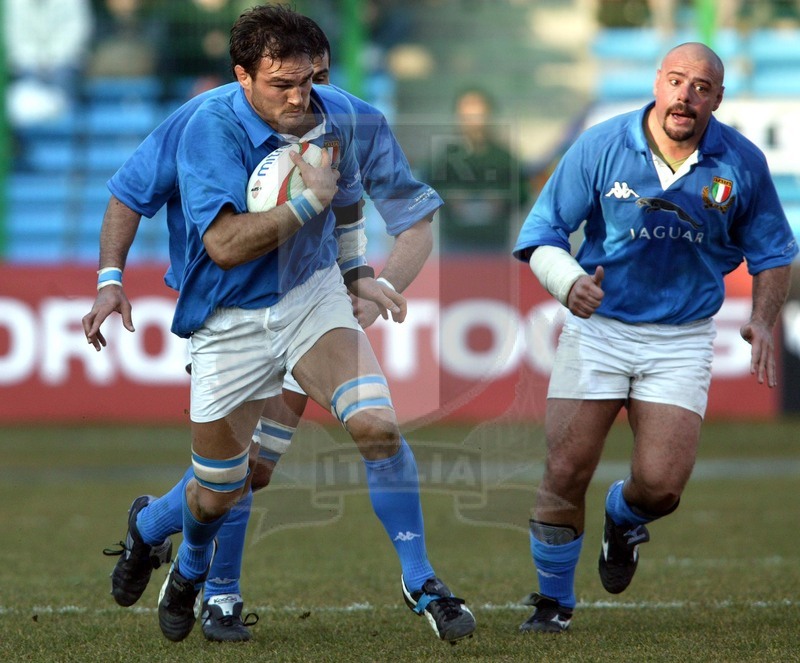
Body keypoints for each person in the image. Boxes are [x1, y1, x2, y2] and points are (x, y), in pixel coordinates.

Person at [83, 4, 474, 645]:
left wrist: (374, 287)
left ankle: (421, 578)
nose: (300, 98)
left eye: (309, 81)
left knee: (376, 424)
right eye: (281, 85)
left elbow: (413, 218)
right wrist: (109, 281)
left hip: (309, 298)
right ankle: (171, 547)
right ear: (242, 76)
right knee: (226, 487)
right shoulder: (206, 126)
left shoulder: (347, 116)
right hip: (226, 316)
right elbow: (220, 243)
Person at [512, 42, 796, 633]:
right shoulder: (601, 144)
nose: (685, 96)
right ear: (657, 82)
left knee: (662, 488)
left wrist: (764, 319)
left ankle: (623, 513)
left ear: (718, 98)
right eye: (676, 80)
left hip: (682, 336)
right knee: (565, 469)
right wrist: (567, 282)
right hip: (599, 329)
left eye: (701, 87)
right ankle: (552, 603)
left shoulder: (740, 162)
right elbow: (541, 231)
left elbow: (774, 252)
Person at [427, 87, 529, 254]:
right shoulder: (444, 157)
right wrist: (449, 198)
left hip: (495, 242)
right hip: (456, 243)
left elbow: (523, 192)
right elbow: (425, 192)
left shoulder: (504, 157)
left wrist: (502, 199)